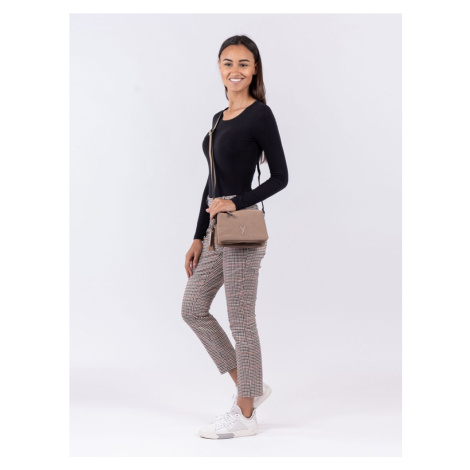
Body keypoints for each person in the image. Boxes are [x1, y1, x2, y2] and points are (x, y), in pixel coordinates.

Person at [181, 35, 289, 439]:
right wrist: (197, 236)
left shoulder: (261, 115)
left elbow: (281, 177)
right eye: (228, 63)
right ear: (219, 68)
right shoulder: (218, 118)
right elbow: (211, 183)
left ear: (255, 68)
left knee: (241, 319)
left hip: (242, 231)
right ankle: (251, 386)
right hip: (215, 232)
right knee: (193, 308)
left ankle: (245, 415)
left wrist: (236, 201)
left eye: (244, 63)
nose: (235, 70)